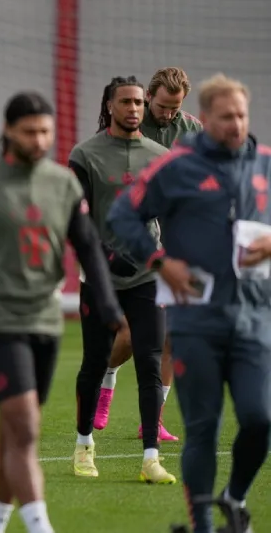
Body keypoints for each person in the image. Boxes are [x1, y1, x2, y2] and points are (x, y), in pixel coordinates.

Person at [0, 91, 123, 533]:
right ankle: (41, 526)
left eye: (46, 132)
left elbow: (88, 247)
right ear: (8, 131)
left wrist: (110, 304)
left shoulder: (64, 185)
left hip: (45, 319)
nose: (39, 140)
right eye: (29, 131)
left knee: (11, 434)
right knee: (26, 429)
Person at [109, 73, 269, 533]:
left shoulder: (264, 165)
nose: (236, 124)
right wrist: (159, 261)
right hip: (196, 320)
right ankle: (201, 523)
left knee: (260, 420)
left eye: (242, 115)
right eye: (226, 116)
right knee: (203, 426)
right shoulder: (175, 167)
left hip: (255, 318)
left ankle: (234, 499)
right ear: (206, 117)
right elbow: (124, 215)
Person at [69, 76, 176, 484]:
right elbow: (73, 218)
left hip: (147, 275)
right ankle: (83, 446)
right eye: (126, 102)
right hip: (99, 276)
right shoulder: (85, 154)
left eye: (137, 102)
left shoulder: (160, 156)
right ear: (110, 106)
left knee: (149, 363)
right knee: (94, 363)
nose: (134, 109)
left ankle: (150, 457)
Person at [95, 67, 203, 441]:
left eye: (176, 109)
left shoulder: (192, 131)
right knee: (127, 333)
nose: (168, 114)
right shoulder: (127, 127)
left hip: (178, 240)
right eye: (163, 106)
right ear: (149, 97)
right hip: (134, 240)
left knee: (173, 336)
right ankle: (102, 382)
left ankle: (152, 420)